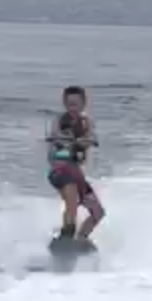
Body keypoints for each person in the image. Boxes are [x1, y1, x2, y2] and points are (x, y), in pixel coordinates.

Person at [46, 85, 104, 243]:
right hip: (60, 171)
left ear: (83, 104)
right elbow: (56, 139)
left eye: (75, 104)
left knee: (98, 212)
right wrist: (65, 140)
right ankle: (66, 236)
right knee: (71, 203)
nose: (72, 108)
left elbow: (92, 138)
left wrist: (86, 141)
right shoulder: (59, 121)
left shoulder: (87, 123)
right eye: (69, 104)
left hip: (76, 173)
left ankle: (81, 239)